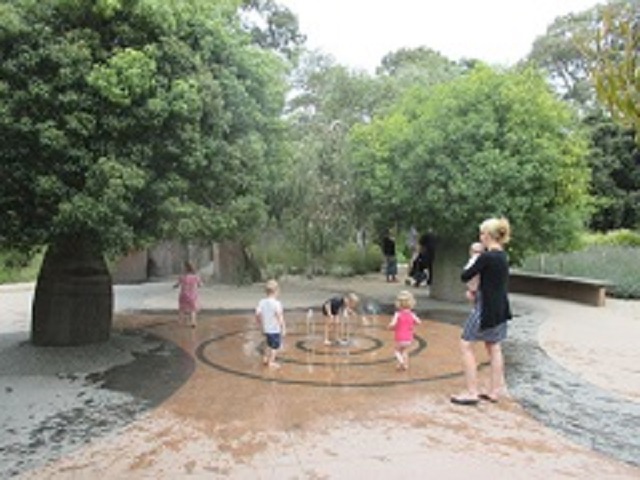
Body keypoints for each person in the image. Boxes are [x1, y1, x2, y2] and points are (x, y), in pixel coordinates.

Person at [451, 218, 512, 406]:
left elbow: (465, 275)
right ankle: (494, 391)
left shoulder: (486, 257)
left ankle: (471, 392)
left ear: (489, 235)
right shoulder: (502, 256)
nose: (480, 237)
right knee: (494, 346)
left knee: (465, 345)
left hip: (484, 309)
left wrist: (475, 259)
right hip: (500, 308)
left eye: (482, 233)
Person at [255, 279, 286, 368]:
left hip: (266, 329)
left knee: (268, 344)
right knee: (275, 347)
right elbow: (279, 316)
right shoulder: (277, 304)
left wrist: (260, 325)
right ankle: (271, 362)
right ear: (276, 291)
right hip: (275, 330)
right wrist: (283, 327)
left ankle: (265, 358)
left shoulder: (262, 302)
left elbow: (257, 314)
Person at [388, 290, 421, 370]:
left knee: (397, 351)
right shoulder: (412, 314)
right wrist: (412, 324)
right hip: (409, 337)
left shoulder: (398, 314)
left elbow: (392, 324)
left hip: (400, 337)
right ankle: (405, 365)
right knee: (405, 351)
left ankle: (401, 361)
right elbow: (419, 322)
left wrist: (390, 327)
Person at [174, 261, 202, 327]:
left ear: (185, 268)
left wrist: (175, 286)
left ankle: (180, 321)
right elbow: (200, 285)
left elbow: (177, 284)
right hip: (193, 295)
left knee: (182, 309)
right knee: (193, 310)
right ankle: (193, 322)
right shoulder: (196, 277)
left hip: (183, 295)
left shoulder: (182, 277)